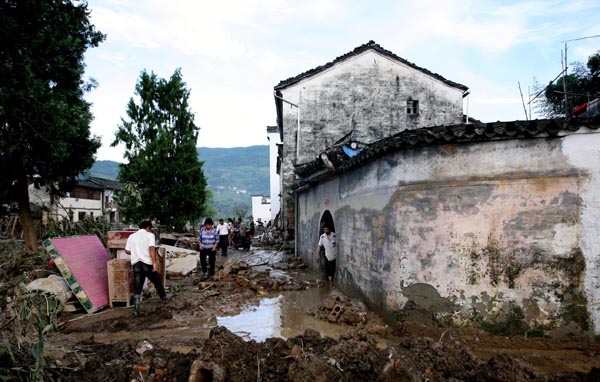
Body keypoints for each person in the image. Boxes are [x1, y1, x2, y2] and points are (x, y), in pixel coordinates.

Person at [125, 220, 168, 315]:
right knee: (157, 281)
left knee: (137, 287)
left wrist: (136, 252)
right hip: (147, 263)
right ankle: (164, 298)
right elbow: (151, 249)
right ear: (148, 227)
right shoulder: (150, 235)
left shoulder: (132, 236)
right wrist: (154, 263)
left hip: (136, 264)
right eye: (150, 228)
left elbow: (127, 251)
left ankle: (136, 309)